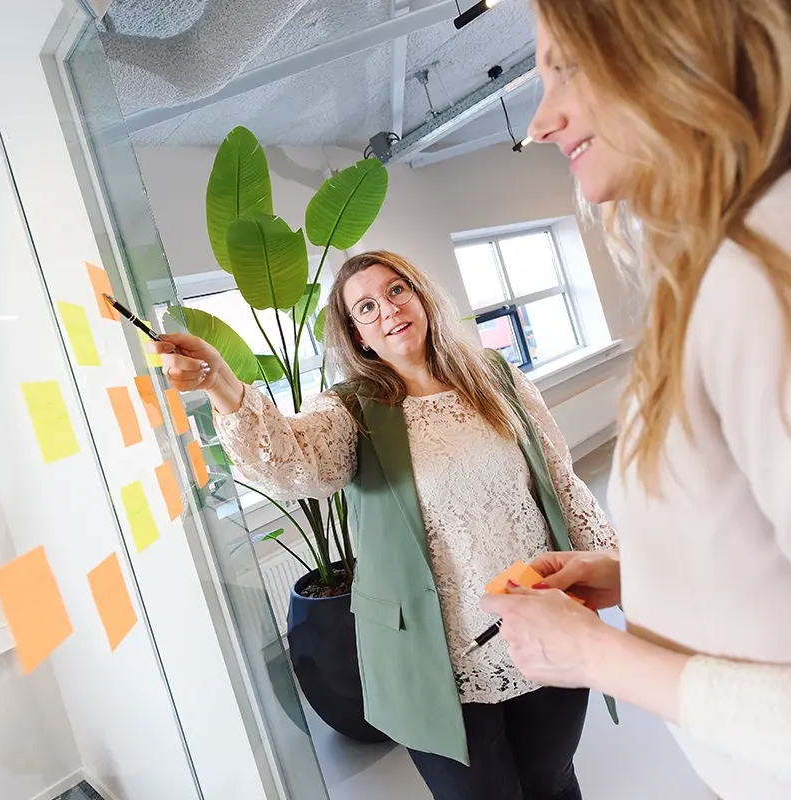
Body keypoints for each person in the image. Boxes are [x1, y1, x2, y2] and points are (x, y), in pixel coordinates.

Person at [150, 250, 617, 800]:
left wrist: (612, 567)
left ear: (420, 297)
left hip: (539, 620)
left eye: (396, 291)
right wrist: (221, 382)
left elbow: (561, 480)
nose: (388, 310)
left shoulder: (496, 377)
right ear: (357, 337)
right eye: (365, 308)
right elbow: (290, 461)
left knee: (552, 779)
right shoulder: (353, 411)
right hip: (436, 655)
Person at [480, 2, 791, 799]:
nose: (540, 122)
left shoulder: (761, 275)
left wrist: (594, 657)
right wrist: (627, 576)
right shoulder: (716, 269)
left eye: (567, 67)